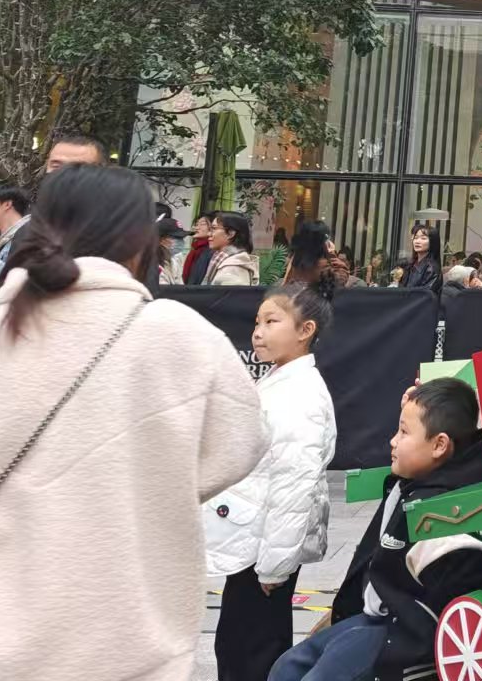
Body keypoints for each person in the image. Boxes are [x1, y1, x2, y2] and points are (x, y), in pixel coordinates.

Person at [0, 165, 267, 681]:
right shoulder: (181, 337)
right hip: (125, 639)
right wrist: (144, 480)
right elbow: (241, 446)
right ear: (140, 240)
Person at [269, 380, 482, 681]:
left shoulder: (445, 512)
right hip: (373, 618)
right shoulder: (412, 484)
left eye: (404, 432)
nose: (393, 441)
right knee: (287, 667)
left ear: (439, 445)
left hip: (403, 633)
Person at [206, 277, 339, 681]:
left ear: (305, 330)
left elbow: (294, 485)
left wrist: (274, 567)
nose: (258, 332)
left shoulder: (300, 395)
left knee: (251, 651)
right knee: (239, 643)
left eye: (271, 321)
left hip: (265, 550)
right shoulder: (282, 381)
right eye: (257, 322)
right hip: (254, 541)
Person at [203, 211, 258, 286]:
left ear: (230, 233)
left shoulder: (233, 267)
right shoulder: (223, 259)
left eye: (214, 228)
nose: (209, 234)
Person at [401, 223, 441, 293]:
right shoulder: (411, 264)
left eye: (423, 238)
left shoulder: (431, 268)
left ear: (432, 242)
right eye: (416, 238)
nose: (417, 241)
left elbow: (425, 294)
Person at [185, 211, 216, 284]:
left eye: (202, 224)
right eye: (196, 224)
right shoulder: (196, 249)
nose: (196, 228)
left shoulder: (212, 251)